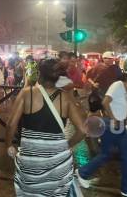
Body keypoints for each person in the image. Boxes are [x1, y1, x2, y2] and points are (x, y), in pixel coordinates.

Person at [6, 59, 86, 197]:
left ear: (40, 75)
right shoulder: (65, 97)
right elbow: (83, 130)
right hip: (58, 163)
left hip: (30, 162)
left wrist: (8, 145)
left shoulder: (27, 93)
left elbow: (11, 124)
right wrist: (67, 145)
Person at [76, 74, 127, 197]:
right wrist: (114, 119)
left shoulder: (126, 91)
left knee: (126, 155)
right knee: (106, 154)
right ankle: (82, 172)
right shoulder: (118, 85)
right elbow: (105, 102)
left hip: (121, 126)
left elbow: (121, 107)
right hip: (111, 125)